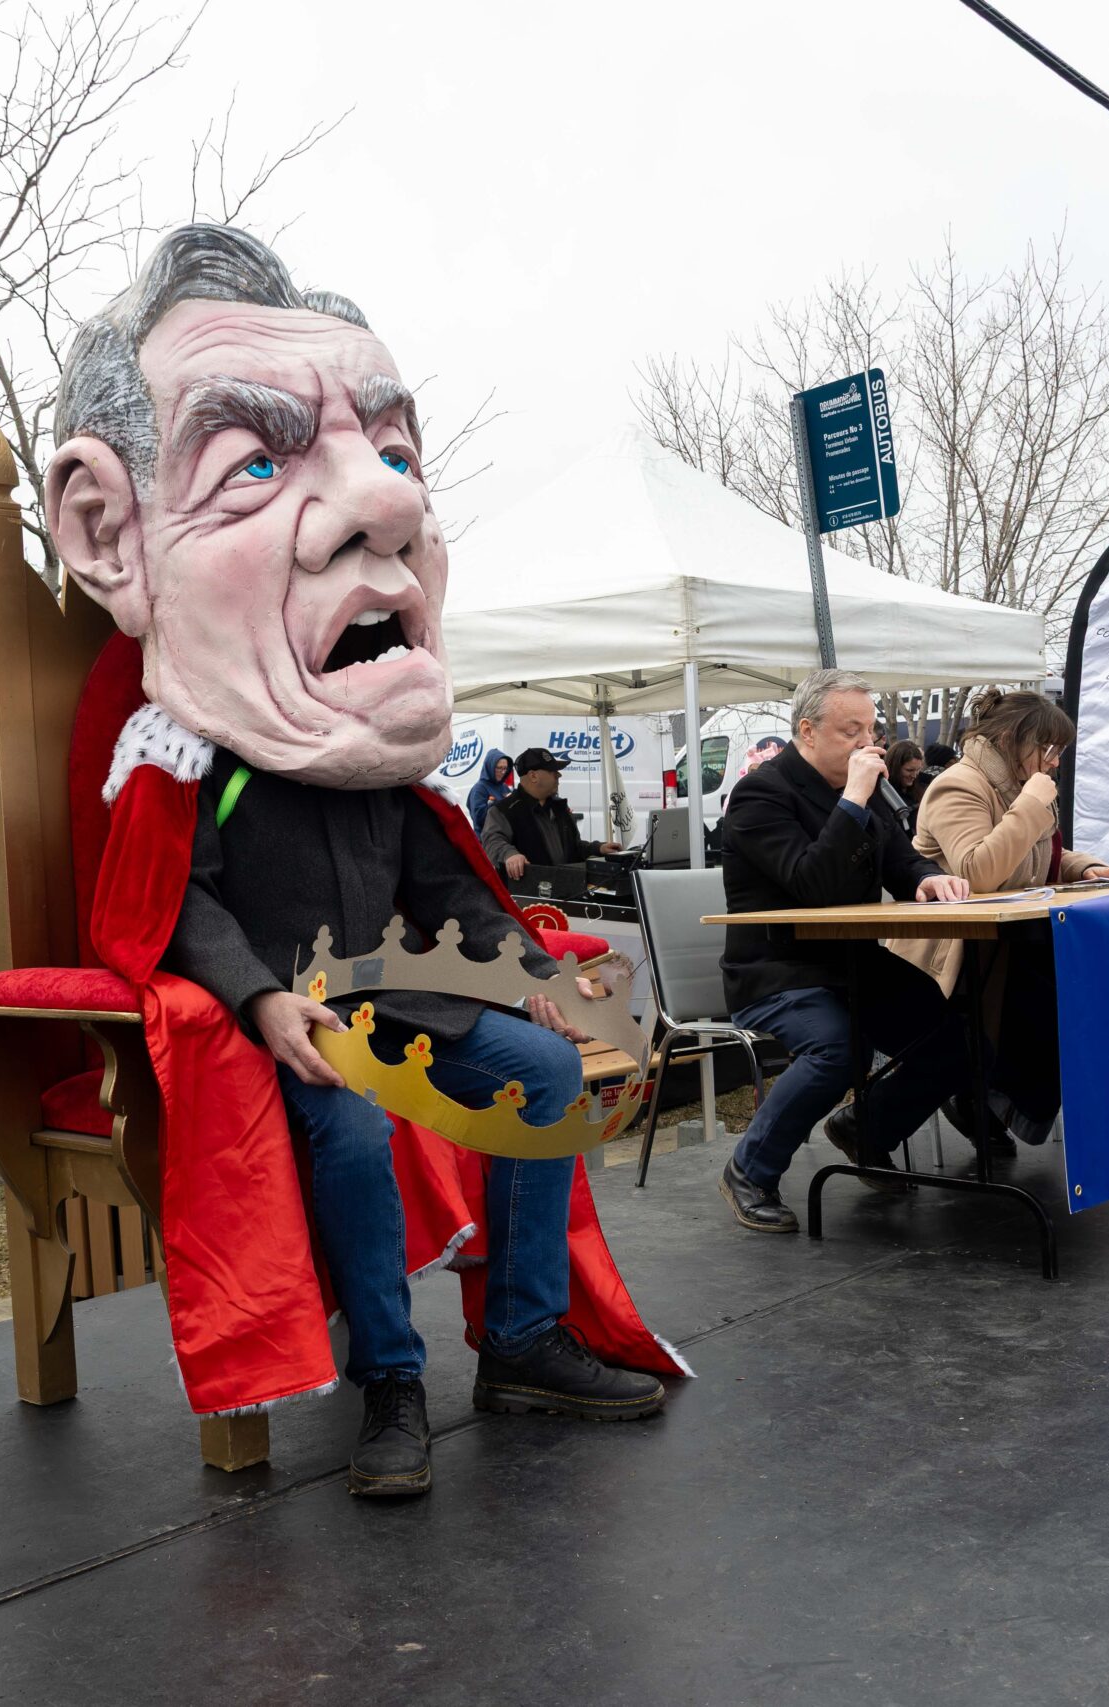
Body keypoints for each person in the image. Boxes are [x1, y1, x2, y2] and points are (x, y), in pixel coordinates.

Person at [43, 224, 680, 1499]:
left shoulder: (379, 755)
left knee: (546, 1069)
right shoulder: (187, 751)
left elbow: (444, 894)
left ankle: (522, 1339)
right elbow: (169, 901)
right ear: (111, 534)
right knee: (342, 1114)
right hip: (292, 1021)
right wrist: (259, 1000)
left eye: (395, 458)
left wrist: (530, 982)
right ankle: (390, 1378)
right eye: (254, 464)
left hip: (396, 1002)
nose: (387, 505)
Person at [713, 669, 972, 1233]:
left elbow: (900, 859)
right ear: (807, 731)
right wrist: (853, 798)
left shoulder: (867, 795)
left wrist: (926, 878)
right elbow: (813, 884)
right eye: (850, 730)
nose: (866, 742)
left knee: (952, 1040)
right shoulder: (760, 793)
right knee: (838, 1049)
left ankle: (866, 1128)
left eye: (870, 729)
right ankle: (750, 1170)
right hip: (778, 969)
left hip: (853, 962)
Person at [896, 691, 1109, 1148]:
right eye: (1050, 749)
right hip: (957, 952)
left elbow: (1037, 856)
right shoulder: (958, 785)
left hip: (1005, 942)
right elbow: (978, 872)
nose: (1055, 762)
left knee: (1076, 993)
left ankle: (991, 1098)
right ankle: (988, 1098)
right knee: (1054, 999)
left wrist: (1084, 868)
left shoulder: (1020, 786)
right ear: (1010, 739)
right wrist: (1032, 805)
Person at [480, 747, 622, 880]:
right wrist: (509, 855)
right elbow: (492, 841)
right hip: (526, 894)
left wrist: (598, 848)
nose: (559, 775)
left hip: (566, 890)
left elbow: (575, 847)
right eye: (552, 771)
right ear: (533, 776)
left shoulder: (560, 807)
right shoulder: (503, 810)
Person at [881, 738, 927, 833]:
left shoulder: (922, 786)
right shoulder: (882, 794)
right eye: (909, 770)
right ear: (895, 767)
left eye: (918, 770)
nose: (914, 775)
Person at [464, 749, 514, 831]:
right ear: (490, 766)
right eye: (499, 768)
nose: (503, 772)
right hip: (487, 837)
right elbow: (479, 819)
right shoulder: (479, 789)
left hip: (505, 835)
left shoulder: (504, 787)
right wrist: (502, 803)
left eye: (505, 768)